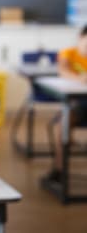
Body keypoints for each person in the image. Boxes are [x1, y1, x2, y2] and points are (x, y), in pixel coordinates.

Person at [44, 25, 87, 184]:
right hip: (78, 103)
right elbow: (63, 70)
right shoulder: (69, 53)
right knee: (61, 126)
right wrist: (80, 79)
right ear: (80, 38)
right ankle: (59, 169)